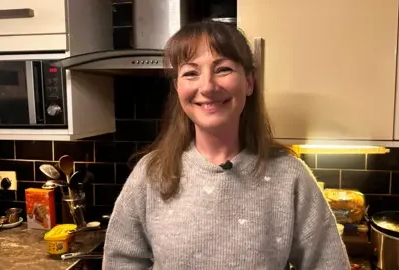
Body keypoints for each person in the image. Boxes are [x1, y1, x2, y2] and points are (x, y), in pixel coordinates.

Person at [103, 20, 350, 270]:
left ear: (250, 82)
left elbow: (329, 264)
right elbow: (121, 262)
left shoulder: (290, 176)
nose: (208, 86)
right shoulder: (151, 173)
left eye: (223, 69)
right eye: (191, 73)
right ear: (178, 87)